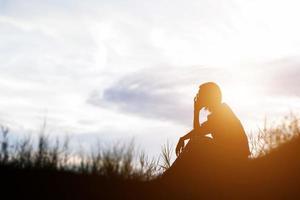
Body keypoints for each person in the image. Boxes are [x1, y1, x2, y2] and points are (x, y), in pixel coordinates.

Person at [175, 82, 250, 160]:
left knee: (196, 142)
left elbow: (197, 134)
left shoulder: (222, 111)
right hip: (232, 153)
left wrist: (196, 111)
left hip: (235, 155)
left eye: (200, 94)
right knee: (196, 142)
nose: (198, 97)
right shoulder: (218, 113)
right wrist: (183, 138)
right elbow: (199, 131)